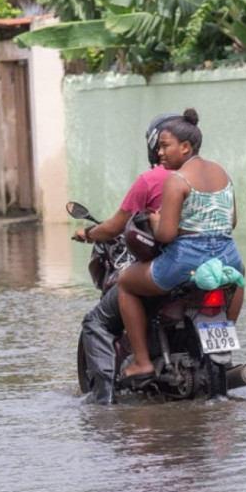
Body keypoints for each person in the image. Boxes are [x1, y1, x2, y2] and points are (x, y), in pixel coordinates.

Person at [116, 108, 244, 384]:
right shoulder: (222, 173)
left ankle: (141, 362)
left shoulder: (177, 180)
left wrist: (154, 218)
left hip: (185, 261)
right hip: (228, 256)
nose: (160, 153)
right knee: (238, 281)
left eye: (165, 146)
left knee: (125, 282)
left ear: (185, 147)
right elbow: (231, 221)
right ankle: (224, 337)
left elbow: (165, 235)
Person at [76, 112, 180, 404]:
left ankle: (102, 400)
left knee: (96, 320)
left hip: (166, 268)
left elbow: (115, 226)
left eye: (162, 145)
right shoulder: (204, 178)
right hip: (205, 267)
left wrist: (88, 232)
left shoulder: (151, 179)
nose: (160, 151)